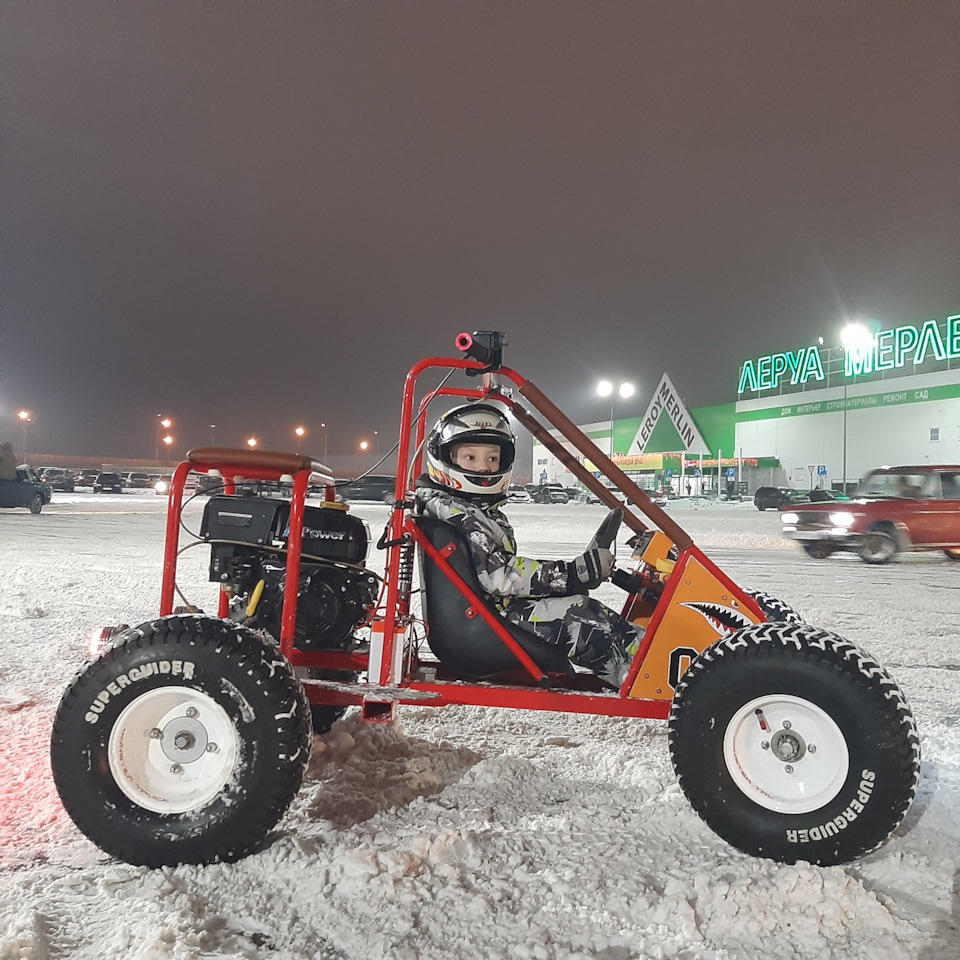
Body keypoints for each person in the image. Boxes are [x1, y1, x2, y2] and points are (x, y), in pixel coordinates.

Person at [415, 402, 643, 688]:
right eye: (470, 457)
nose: (484, 466)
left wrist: (571, 577)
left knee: (585, 609)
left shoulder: (464, 509)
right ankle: (644, 676)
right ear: (444, 458)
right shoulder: (458, 514)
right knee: (584, 617)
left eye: (492, 458)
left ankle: (645, 662)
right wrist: (570, 574)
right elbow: (502, 576)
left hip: (489, 613)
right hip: (483, 624)